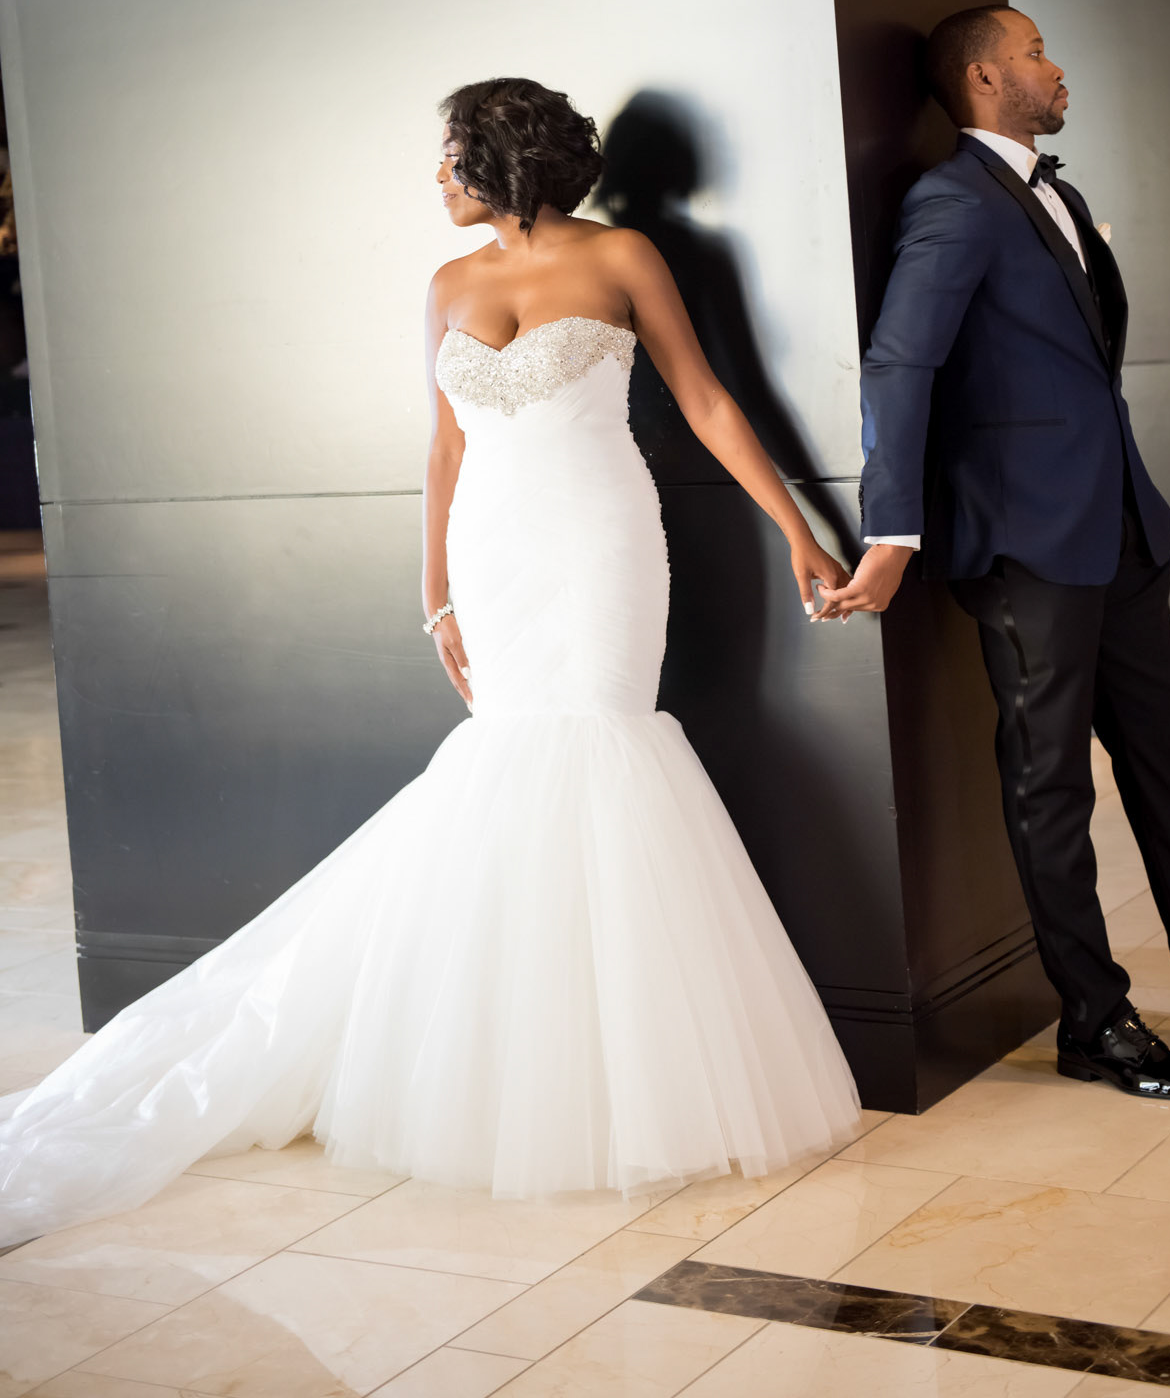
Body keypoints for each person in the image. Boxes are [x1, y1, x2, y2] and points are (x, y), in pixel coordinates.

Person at [0, 78, 861, 1243]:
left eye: (448, 155)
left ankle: (622, 1084)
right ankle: (509, 1066)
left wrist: (800, 529)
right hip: (495, 555)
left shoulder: (622, 257)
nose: (436, 177)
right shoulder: (447, 283)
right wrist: (434, 591)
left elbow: (707, 399)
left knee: (604, 754)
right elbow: (444, 442)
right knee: (509, 768)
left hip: (600, 540)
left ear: (500, 159)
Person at [819, 6, 1170, 1096]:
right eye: (1038, 50)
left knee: (1166, 764)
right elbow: (899, 368)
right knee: (1049, 781)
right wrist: (894, 531)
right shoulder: (953, 203)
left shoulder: (1057, 192)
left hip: (1120, 527)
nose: (1058, 68)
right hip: (1025, 543)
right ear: (985, 77)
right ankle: (1094, 1021)